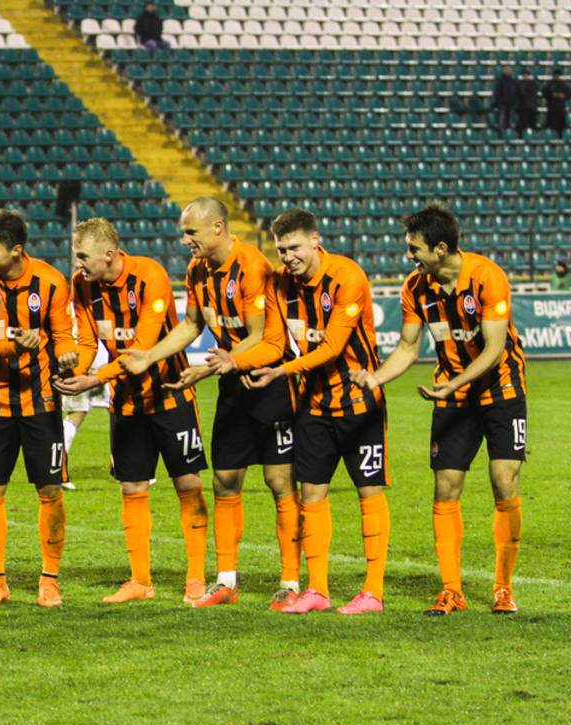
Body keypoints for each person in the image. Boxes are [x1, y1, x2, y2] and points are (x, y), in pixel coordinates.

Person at [121, 197, 302, 609]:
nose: (185, 240)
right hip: (231, 383)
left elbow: (261, 336)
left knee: (279, 482)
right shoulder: (197, 270)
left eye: (191, 232)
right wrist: (149, 356)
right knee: (225, 480)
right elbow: (191, 324)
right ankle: (225, 581)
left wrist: (211, 367)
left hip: (270, 382)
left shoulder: (252, 265)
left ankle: (290, 581)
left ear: (218, 227)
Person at [210, 209, 390, 614]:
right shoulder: (280, 283)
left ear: (315, 241)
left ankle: (373, 592)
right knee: (311, 493)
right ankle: (318, 590)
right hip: (312, 403)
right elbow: (275, 341)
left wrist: (280, 371)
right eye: (282, 250)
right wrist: (240, 362)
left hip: (360, 402)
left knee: (368, 490)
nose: (288, 257)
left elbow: (332, 348)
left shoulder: (347, 277)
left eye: (294, 248)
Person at [351, 204, 526, 616]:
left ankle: (503, 588)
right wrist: (376, 378)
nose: (409, 255)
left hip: (501, 389)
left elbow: (494, 348)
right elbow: (408, 347)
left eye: (415, 248)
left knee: (504, 480)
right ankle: (451, 591)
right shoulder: (416, 287)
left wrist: (455, 382)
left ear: (441, 248)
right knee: (445, 487)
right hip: (452, 394)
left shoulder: (487, 277)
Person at [54, 218, 210, 604]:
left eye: (83, 257)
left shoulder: (149, 277)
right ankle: (140, 581)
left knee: (187, 484)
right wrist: (74, 369)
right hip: (125, 402)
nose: (78, 265)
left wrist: (94, 379)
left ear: (109, 254)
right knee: (132, 488)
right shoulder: (82, 285)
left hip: (170, 395)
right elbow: (87, 342)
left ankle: (195, 577)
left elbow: (142, 348)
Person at [0, 209, 79, 608]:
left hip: (41, 401)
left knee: (50, 490)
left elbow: (62, 334)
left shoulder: (50, 281)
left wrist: (66, 355)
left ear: (16, 250)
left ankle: (50, 580)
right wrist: (17, 346)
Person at [58, 341, 109, 491]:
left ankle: (55, 466)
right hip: (100, 364)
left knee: (77, 413)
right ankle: (133, 471)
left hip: (82, 362)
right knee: (121, 411)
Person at [493, 65, 519, 136]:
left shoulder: (513, 81)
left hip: (511, 104)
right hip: (502, 104)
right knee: (502, 120)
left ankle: (509, 135)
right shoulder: (500, 81)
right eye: (506, 70)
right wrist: (500, 101)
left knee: (510, 120)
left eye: (509, 70)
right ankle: (501, 135)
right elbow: (497, 93)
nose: (507, 71)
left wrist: (514, 100)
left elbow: (516, 92)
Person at [544, 68, 569, 137]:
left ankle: (560, 137)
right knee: (551, 124)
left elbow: (568, 94)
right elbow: (545, 93)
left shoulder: (563, 84)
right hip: (551, 107)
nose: (556, 76)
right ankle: (550, 136)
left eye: (558, 75)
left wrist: (562, 96)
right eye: (555, 75)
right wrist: (552, 95)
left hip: (560, 107)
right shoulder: (549, 84)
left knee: (561, 124)